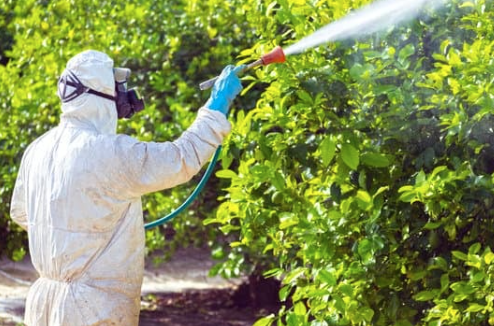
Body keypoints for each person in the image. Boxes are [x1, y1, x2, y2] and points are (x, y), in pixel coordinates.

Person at [10, 50, 244, 326]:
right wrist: (216, 106)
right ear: (99, 93)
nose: (123, 95)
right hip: (94, 307)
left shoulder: (37, 149)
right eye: (116, 86)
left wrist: (83, 231)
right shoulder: (109, 151)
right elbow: (181, 158)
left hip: (44, 305)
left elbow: (21, 214)